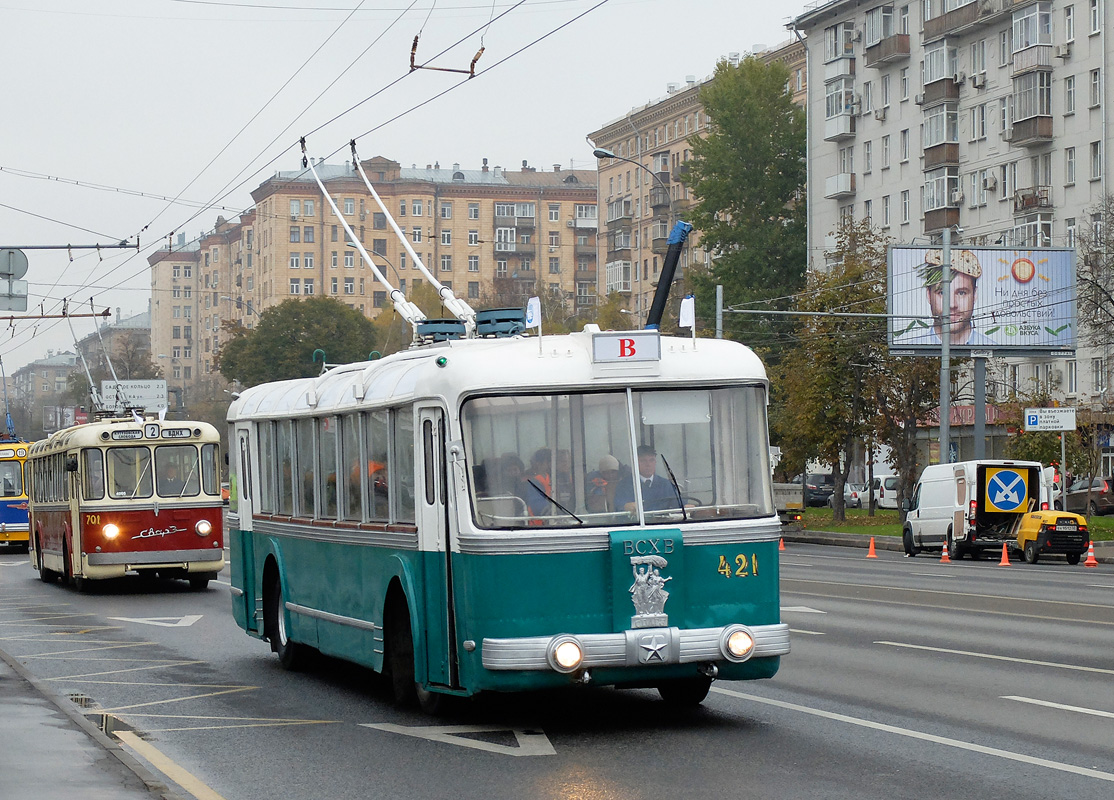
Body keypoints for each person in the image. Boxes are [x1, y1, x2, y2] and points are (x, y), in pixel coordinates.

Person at [902, 249, 996, 346]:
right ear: (929, 295)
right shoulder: (913, 348)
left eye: (961, 293)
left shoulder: (992, 348)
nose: (952, 304)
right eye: (942, 293)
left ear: (975, 295)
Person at [614, 445, 682, 513]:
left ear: (655, 462)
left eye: (651, 460)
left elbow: (679, 504)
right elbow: (618, 506)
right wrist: (625, 506)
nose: (648, 464)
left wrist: (685, 506)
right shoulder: (624, 485)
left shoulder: (666, 484)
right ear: (635, 463)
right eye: (643, 461)